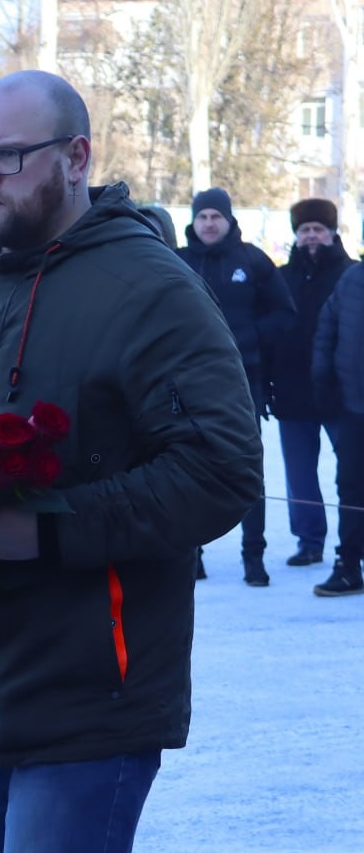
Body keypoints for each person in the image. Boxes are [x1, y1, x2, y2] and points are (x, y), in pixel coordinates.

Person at [0, 70, 263, 853]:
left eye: (8, 156)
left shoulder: (149, 289)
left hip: (90, 689)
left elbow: (222, 466)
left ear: (75, 158)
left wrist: (48, 529)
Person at [178, 187, 295, 585]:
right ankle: (191, 553)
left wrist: (244, 335)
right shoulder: (177, 261)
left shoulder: (253, 261)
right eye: (203, 217)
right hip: (187, 383)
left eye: (216, 217)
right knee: (186, 465)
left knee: (247, 469)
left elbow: (285, 313)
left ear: (229, 221)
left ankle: (253, 556)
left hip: (244, 382)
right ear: (193, 222)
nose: (209, 224)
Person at [270, 199, 354, 568]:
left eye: (318, 229)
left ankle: (355, 540)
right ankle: (309, 540)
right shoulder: (282, 277)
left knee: (354, 471)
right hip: (292, 390)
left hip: (342, 391)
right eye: (305, 230)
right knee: (299, 474)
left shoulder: (350, 275)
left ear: (333, 233)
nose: (311, 237)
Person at [311, 260, 364, 597]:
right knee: (351, 488)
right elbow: (327, 328)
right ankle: (348, 566)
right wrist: (323, 378)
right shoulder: (353, 277)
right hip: (354, 408)